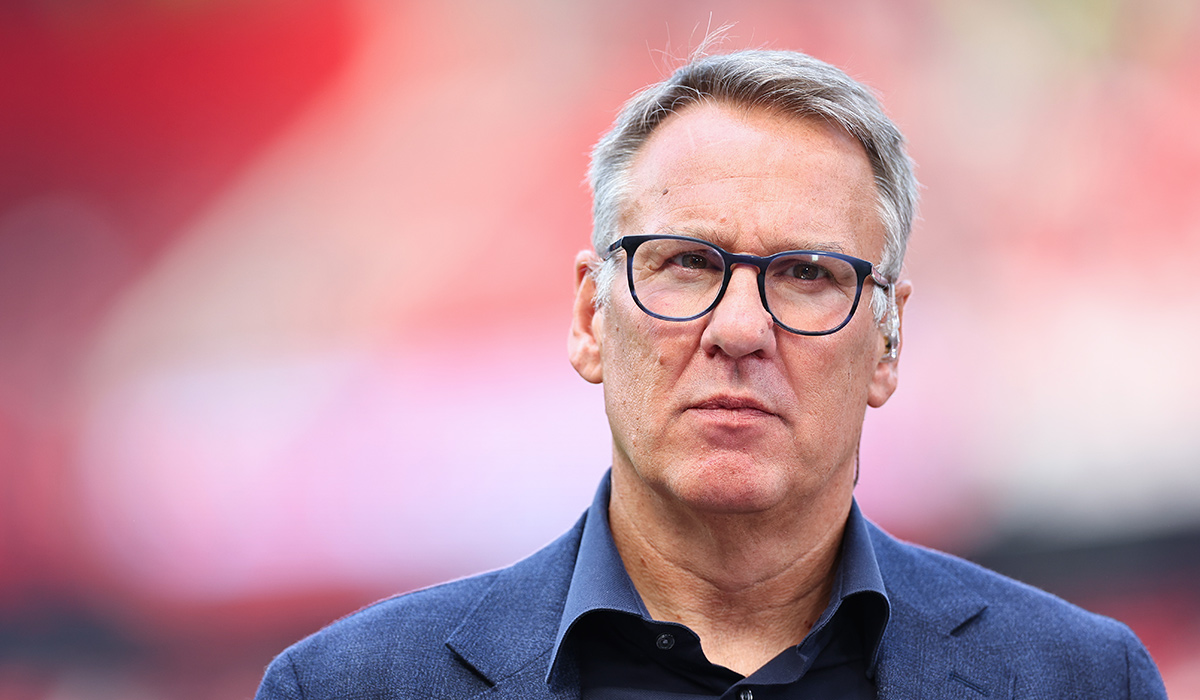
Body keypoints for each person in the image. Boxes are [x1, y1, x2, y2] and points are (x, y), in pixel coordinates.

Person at [255, 49, 1167, 699]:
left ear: (888, 343)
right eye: (687, 263)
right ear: (589, 319)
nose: (738, 330)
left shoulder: (1085, 680)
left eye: (806, 274)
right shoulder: (346, 686)